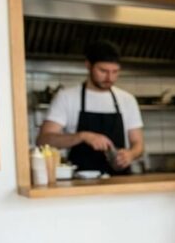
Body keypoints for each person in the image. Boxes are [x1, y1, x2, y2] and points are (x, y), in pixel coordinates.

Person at [37, 41, 144, 174]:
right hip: (80, 183)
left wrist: (131, 154)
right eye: (103, 71)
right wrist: (82, 136)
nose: (109, 78)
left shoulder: (127, 99)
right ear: (88, 65)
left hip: (119, 182)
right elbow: (44, 140)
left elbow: (138, 144)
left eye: (115, 72)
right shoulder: (66, 97)